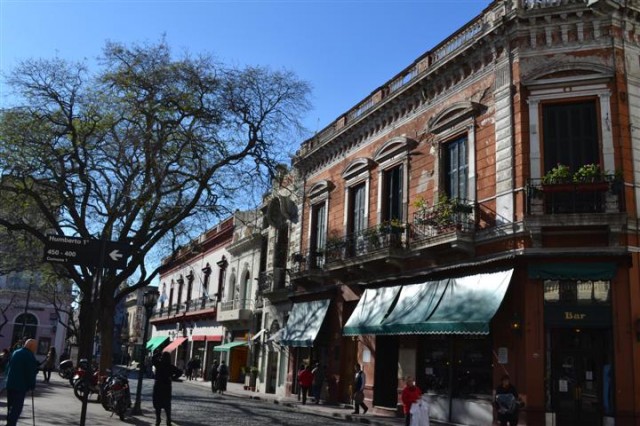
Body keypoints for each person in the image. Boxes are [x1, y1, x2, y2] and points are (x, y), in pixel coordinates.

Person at [5, 339, 39, 426]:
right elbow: (30, 373)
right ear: (31, 347)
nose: (35, 349)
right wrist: (32, 385)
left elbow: (8, 366)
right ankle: (11, 424)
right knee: (16, 408)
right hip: (20, 386)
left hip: (10, 384)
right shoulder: (29, 356)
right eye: (35, 347)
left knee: (10, 407)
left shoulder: (16, 352)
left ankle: (9, 422)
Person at [152, 351, 181, 426]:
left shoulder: (159, 364)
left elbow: (153, 358)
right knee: (167, 405)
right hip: (167, 387)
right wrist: (173, 378)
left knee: (157, 404)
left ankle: (158, 419)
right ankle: (168, 420)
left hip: (158, 386)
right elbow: (180, 372)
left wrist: (159, 353)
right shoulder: (170, 366)